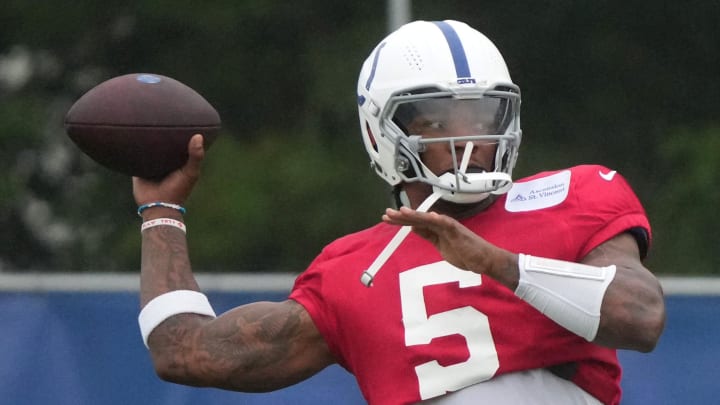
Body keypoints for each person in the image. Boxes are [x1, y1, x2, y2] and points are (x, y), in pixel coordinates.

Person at [133, 20, 665, 405]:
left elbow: (640, 318)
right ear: (379, 133)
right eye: (437, 122)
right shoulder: (351, 271)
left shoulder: (576, 195)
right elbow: (185, 351)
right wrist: (161, 210)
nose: (471, 138)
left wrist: (496, 262)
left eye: (483, 114)